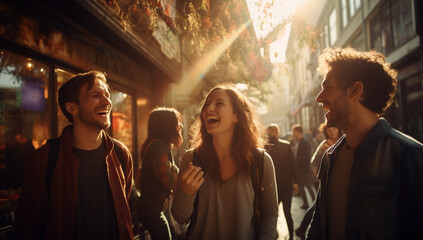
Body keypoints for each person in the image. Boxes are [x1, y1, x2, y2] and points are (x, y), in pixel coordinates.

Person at [308, 47, 423, 240]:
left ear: (355, 90)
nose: (319, 98)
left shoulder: (408, 156)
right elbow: (319, 226)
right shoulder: (330, 158)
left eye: (328, 87)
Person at [15, 71, 134, 240]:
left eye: (107, 95)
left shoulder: (121, 154)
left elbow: (123, 206)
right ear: (72, 107)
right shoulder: (44, 159)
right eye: (95, 95)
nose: (107, 101)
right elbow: (27, 226)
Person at [171, 83, 278, 240]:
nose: (209, 109)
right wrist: (187, 193)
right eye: (207, 105)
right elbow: (180, 218)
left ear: (237, 116)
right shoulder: (192, 159)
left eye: (219, 103)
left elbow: (270, 213)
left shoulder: (261, 161)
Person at [136, 107, 183, 240]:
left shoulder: (150, 144)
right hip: (152, 209)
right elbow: (170, 180)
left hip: (148, 207)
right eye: (177, 122)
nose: (180, 126)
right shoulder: (160, 147)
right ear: (167, 126)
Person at [295, 123, 342, 239]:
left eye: (334, 128)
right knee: (319, 206)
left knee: (320, 206)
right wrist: (319, 175)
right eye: (329, 130)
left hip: (341, 182)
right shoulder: (323, 145)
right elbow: (313, 162)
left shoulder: (344, 142)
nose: (332, 132)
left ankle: (303, 229)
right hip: (326, 182)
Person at [265, 124, 295, 240]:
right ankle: (274, 233)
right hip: (272, 186)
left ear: (278, 132)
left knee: (287, 213)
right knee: (271, 213)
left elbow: (293, 164)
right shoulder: (265, 147)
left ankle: (291, 236)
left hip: (286, 185)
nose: (272, 133)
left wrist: (295, 181)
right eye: (270, 130)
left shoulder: (286, 146)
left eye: (274, 130)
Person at [292, 124, 315, 210]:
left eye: (294, 132)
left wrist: (295, 159)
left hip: (305, 170)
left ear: (298, 131)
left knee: (309, 187)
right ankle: (305, 203)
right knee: (301, 188)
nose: (293, 134)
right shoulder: (297, 142)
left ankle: (315, 203)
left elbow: (307, 157)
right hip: (299, 170)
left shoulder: (305, 142)